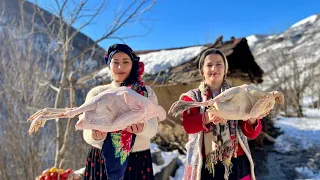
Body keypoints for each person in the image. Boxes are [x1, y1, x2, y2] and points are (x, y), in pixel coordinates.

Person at [178, 48, 267, 180]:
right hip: (205, 164)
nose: (214, 68)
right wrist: (207, 117)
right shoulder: (192, 98)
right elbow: (189, 126)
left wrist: (253, 119)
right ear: (202, 71)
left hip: (236, 162)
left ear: (225, 69)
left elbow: (251, 133)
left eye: (219, 64)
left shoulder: (239, 96)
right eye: (209, 65)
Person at [82, 44, 159, 180]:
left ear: (133, 64)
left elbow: (153, 129)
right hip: (102, 160)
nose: (120, 67)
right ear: (109, 65)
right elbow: (86, 131)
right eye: (115, 62)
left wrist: (142, 128)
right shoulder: (97, 93)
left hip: (137, 160)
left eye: (125, 62)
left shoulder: (145, 93)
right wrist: (95, 136)